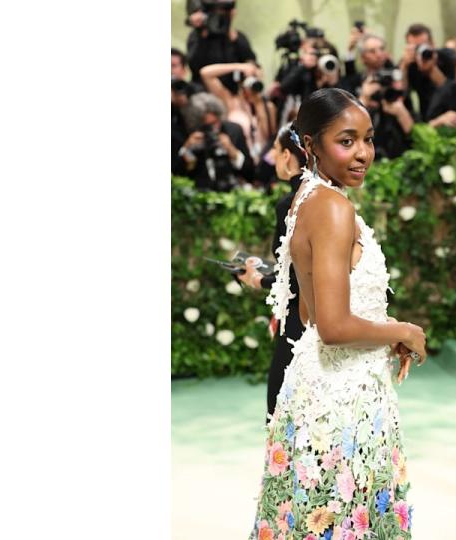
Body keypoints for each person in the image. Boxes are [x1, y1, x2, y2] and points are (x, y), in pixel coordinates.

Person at [249, 88, 426, 540]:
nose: (363, 153)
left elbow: (310, 311)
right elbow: (331, 326)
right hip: (342, 405)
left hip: (321, 389)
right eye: (346, 141)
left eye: (367, 139)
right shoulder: (333, 208)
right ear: (310, 145)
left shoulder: (307, 199)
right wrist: (401, 330)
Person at [237, 124, 308, 417]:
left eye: (276, 152)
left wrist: (258, 279)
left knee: (280, 407)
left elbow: (293, 276)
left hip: (297, 317)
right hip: (325, 316)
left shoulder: (289, 205)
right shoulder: (332, 198)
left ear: (289, 156)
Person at [199, 61, 277, 164]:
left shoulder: (268, 106)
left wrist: (258, 104)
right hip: (239, 161)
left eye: (257, 78)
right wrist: (239, 67)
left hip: (262, 164)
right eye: (252, 77)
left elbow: (269, 137)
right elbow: (205, 73)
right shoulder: (229, 100)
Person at [178, 92, 254, 190]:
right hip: (200, 192)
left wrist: (233, 152)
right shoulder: (192, 135)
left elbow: (250, 172)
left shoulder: (233, 131)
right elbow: (179, 174)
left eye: (216, 122)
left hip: (232, 190)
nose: (214, 129)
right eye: (208, 126)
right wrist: (187, 150)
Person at [184, 0, 257, 92]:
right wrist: (201, 34)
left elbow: (250, 62)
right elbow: (194, 66)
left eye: (224, 10)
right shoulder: (197, 36)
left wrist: (230, 31)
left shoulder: (236, 36)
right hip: (204, 92)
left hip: (231, 91)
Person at [399, 23, 456, 122]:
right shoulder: (410, 64)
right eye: (415, 48)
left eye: (423, 46)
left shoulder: (447, 58)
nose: (420, 51)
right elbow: (400, 95)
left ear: (432, 44)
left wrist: (432, 69)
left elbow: (452, 93)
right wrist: (404, 66)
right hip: (427, 119)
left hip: (451, 116)